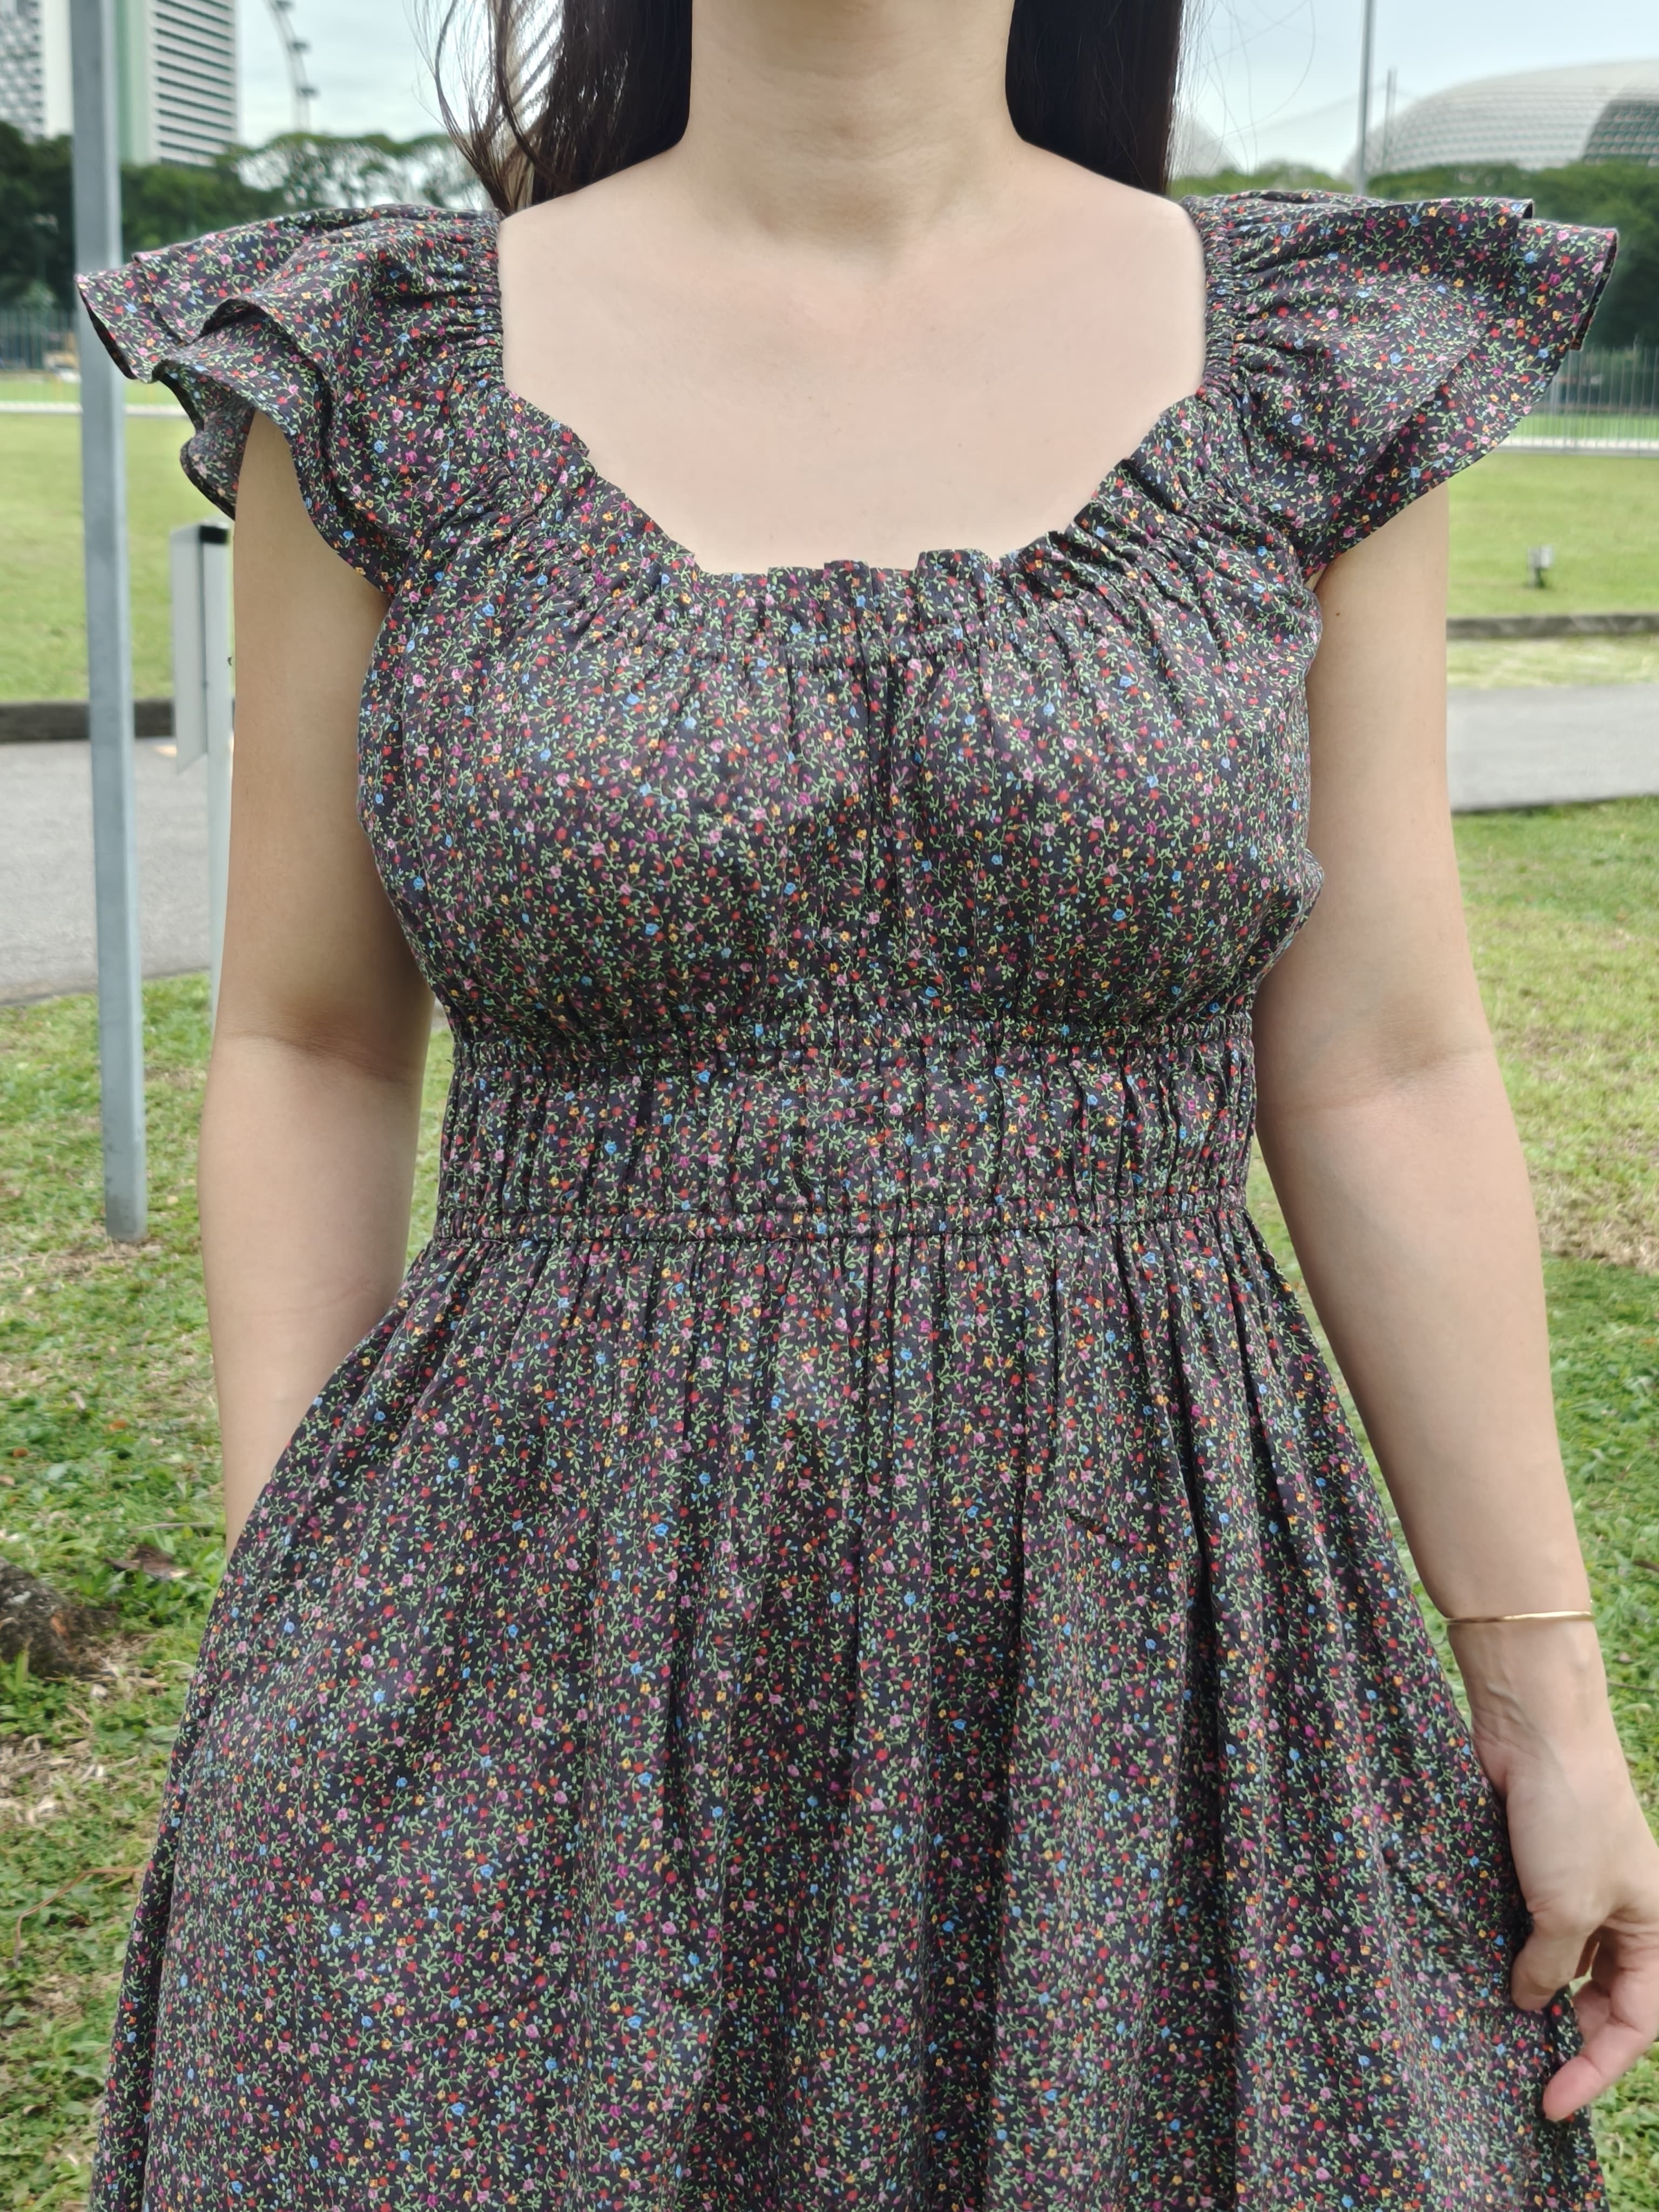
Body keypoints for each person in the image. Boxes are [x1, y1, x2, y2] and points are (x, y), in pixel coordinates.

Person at [79, 0, 1659, 2203]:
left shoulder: (1306, 362)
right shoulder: (382, 373)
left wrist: (1549, 1695)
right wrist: (308, 1623)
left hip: (1146, 1622)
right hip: (525, 1607)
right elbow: (310, 1042)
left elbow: (1385, 1060)